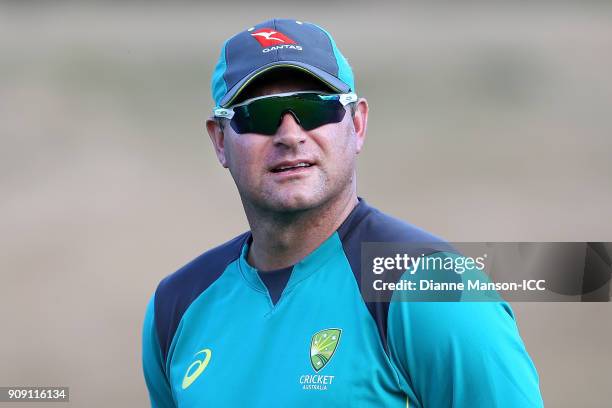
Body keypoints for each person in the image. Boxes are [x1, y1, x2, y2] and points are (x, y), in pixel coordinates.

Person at [142, 18, 543, 407]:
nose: (290, 135)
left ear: (358, 123)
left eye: (316, 108)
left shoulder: (434, 289)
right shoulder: (176, 306)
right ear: (219, 141)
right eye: (259, 114)